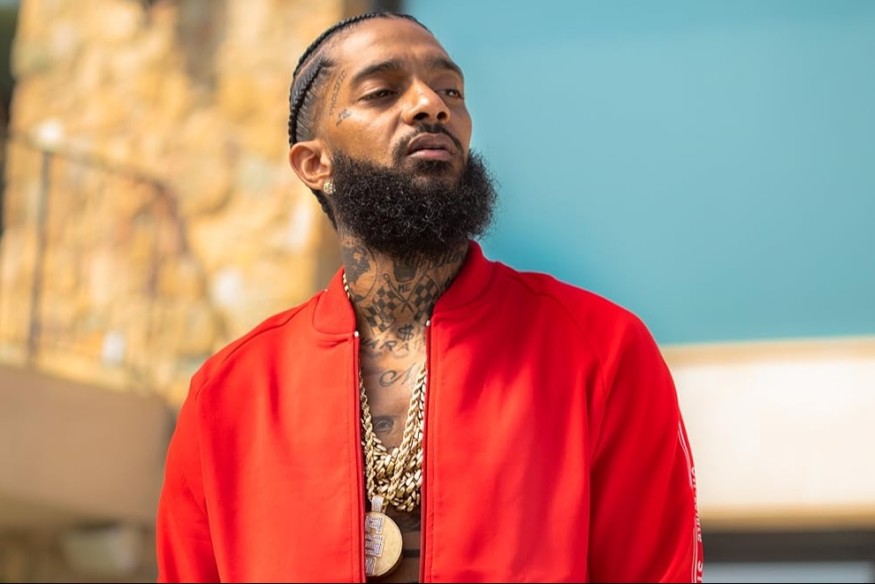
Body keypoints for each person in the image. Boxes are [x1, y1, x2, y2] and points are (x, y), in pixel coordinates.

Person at [156, 10, 704, 583]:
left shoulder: (600, 352)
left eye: (450, 90)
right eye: (382, 92)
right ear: (315, 164)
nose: (431, 105)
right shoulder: (227, 398)